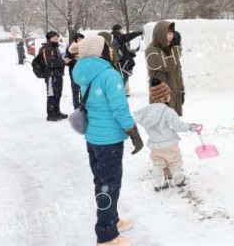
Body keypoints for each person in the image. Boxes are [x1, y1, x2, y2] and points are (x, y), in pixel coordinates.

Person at [73, 35, 144, 246]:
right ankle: (107, 235)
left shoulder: (83, 71)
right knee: (109, 185)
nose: (112, 50)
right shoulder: (109, 75)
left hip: (93, 137)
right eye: (108, 47)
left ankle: (111, 219)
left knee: (103, 183)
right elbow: (120, 109)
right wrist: (134, 133)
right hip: (109, 140)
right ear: (100, 51)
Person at [133, 78, 202, 191]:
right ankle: (179, 180)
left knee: (158, 164)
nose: (169, 96)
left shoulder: (148, 112)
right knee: (175, 162)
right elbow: (177, 126)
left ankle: (158, 184)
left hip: (155, 144)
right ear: (164, 97)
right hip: (169, 144)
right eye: (168, 94)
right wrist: (190, 127)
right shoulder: (168, 111)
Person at [145, 21, 185, 116]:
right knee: (161, 126)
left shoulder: (170, 50)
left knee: (172, 125)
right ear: (160, 34)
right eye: (168, 33)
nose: (171, 36)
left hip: (174, 93)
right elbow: (168, 65)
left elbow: (178, 72)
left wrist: (181, 91)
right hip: (161, 96)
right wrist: (177, 48)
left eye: (172, 33)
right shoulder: (151, 51)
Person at [40, 31, 70, 121]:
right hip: (50, 76)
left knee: (58, 94)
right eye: (54, 37)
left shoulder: (55, 47)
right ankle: (51, 114)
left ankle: (57, 111)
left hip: (58, 75)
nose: (56, 38)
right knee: (51, 95)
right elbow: (49, 63)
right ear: (49, 38)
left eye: (57, 36)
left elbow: (56, 61)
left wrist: (63, 61)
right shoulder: (46, 48)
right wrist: (63, 61)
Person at [111, 24, 143, 97]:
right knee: (123, 76)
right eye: (121, 29)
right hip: (122, 61)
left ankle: (122, 91)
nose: (122, 31)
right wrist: (138, 33)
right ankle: (121, 92)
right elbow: (128, 36)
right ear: (117, 30)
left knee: (121, 75)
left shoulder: (112, 37)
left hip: (117, 61)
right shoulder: (117, 36)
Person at [66, 33, 85, 110]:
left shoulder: (84, 48)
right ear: (75, 40)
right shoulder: (70, 48)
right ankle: (76, 108)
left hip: (84, 72)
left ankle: (83, 106)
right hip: (74, 72)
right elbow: (67, 61)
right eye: (79, 39)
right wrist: (75, 59)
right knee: (75, 90)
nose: (81, 40)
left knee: (83, 90)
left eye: (82, 39)